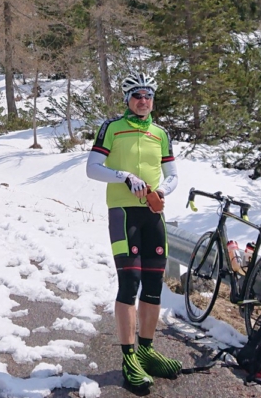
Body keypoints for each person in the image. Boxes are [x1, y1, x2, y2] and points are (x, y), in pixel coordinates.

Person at [86, 72, 181, 390]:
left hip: (153, 215)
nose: (143, 101)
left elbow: (172, 174)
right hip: (123, 213)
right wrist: (124, 176)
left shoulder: (160, 133)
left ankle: (147, 352)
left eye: (148, 95)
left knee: (153, 286)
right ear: (127, 99)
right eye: (137, 95)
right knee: (129, 284)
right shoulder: (112, 128)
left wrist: (163, 190)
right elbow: (92, 168)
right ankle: (129, 358)